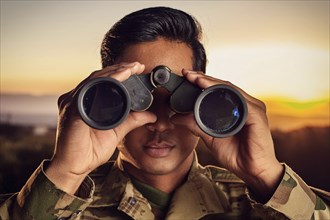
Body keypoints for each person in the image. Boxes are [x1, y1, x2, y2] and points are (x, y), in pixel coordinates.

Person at [0, 6, 329, 220]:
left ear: (203, 98)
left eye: (177, 101)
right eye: (135, 99)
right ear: (104, 98)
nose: (159, 122)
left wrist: (267, 176)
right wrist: (65, 174)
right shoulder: (35, 207)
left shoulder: (254, 203)